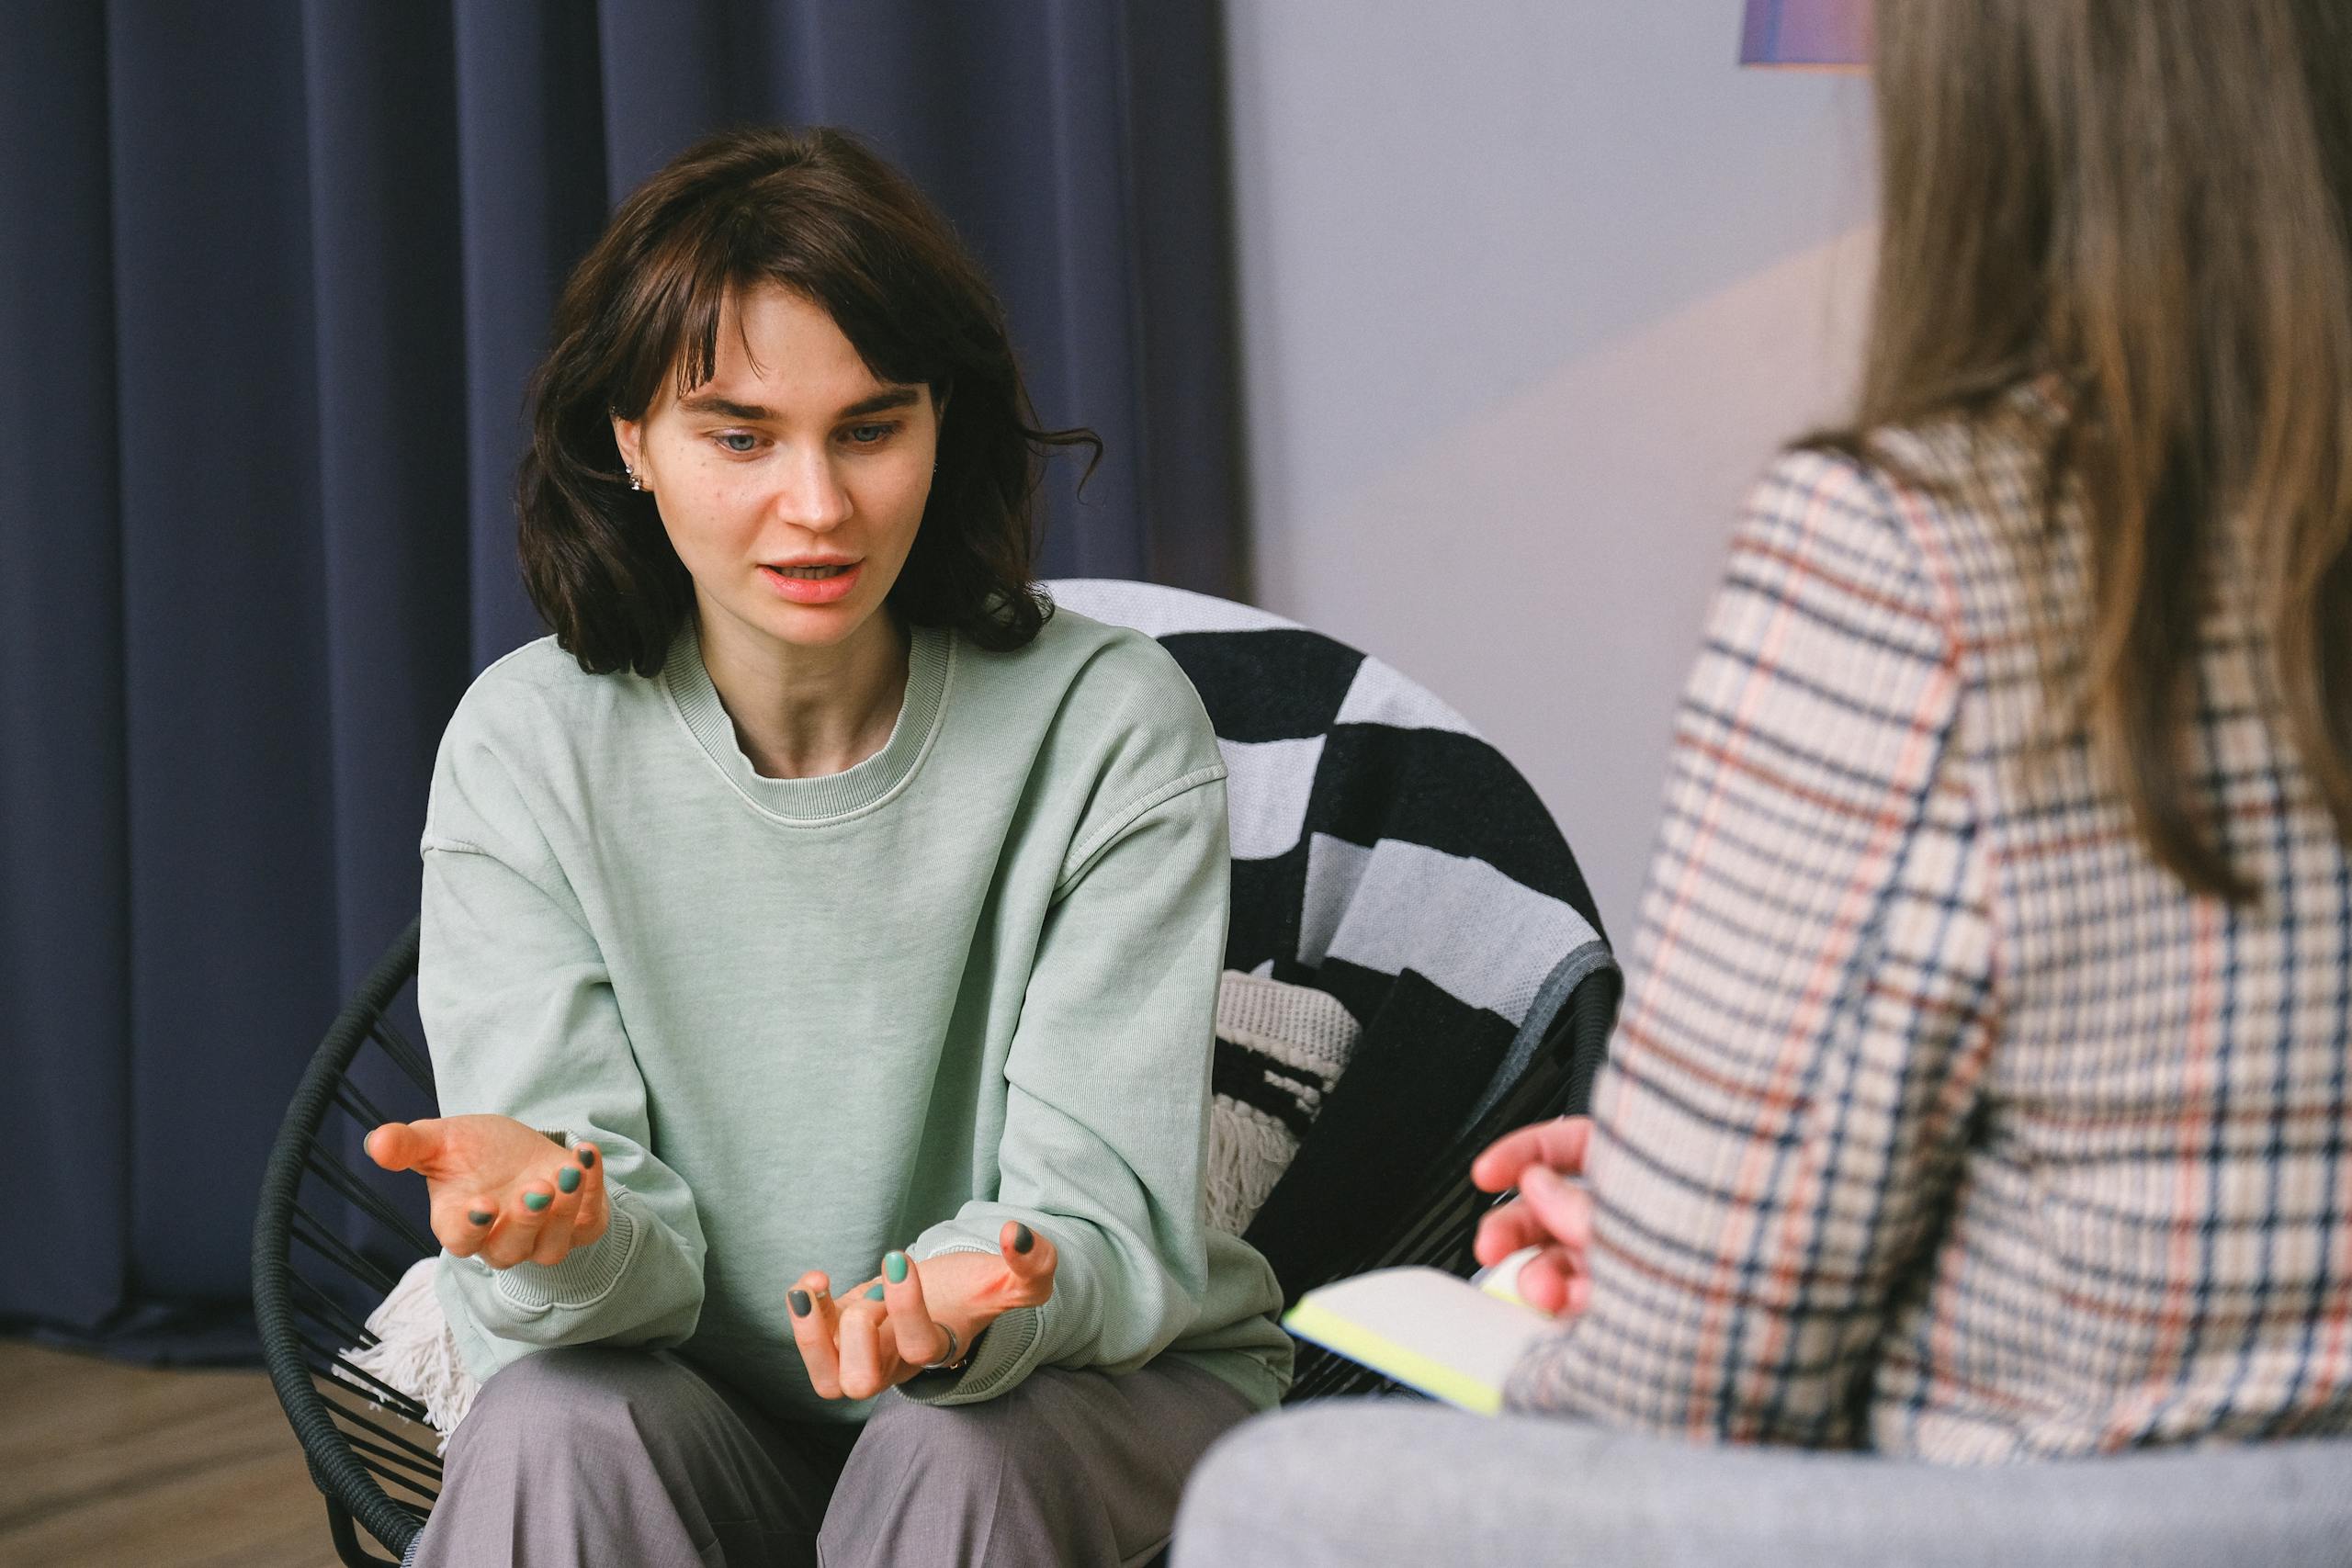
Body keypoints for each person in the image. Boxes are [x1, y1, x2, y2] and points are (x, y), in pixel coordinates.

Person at [1175, 0, 2352, 1561]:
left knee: (1276, 1504)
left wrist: (1679, 1274)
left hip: (2053, 1520)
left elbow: (1699, 1389)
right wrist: (1709, 1194)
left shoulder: (1906, 550)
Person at [361, 124, 1290, 1568]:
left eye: (871, 427)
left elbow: (1099, 1219)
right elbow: (600, 1265)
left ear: (940, 426)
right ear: (632, 443)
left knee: (951, 1449)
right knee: (551, 1426)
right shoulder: (526, 745)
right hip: (707, 1419)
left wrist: (975, 1297)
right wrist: (563, 1227)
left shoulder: (1107, 725)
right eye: (740, 437)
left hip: (1073, 1408)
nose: (819, 507)